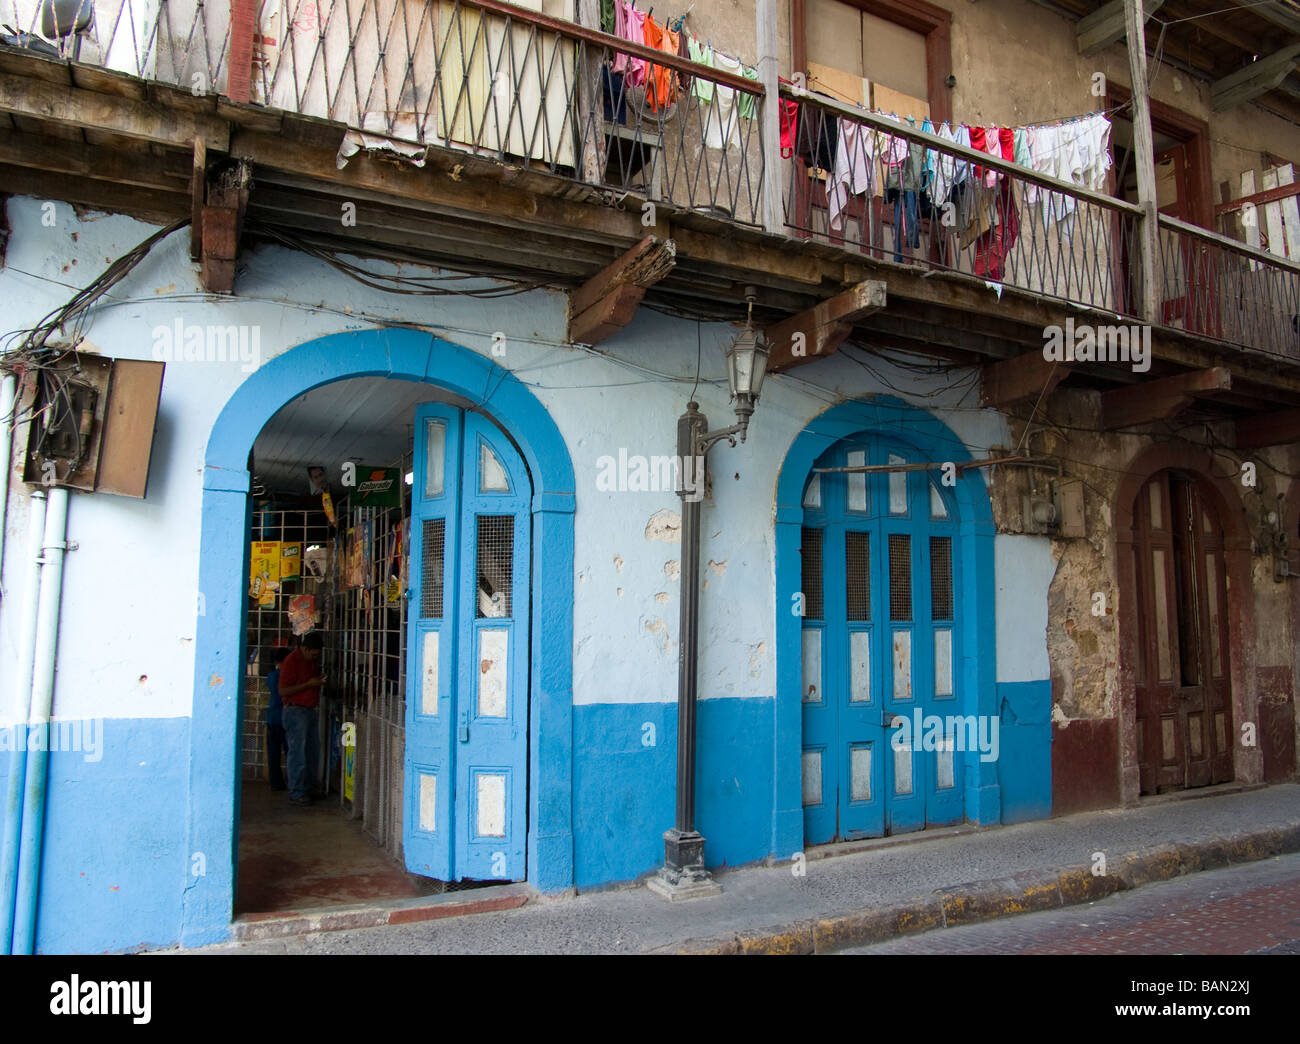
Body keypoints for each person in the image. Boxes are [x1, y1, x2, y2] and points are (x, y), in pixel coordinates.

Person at [278, 632, 326, 806]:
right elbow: (283, 691)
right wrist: (309, 684)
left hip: (309, 711)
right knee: (298, 753)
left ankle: (308, 789)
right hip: (295, 712)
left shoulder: (309, 661)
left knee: (312, 752)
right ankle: (297, 792)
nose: (315, 657)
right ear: (305, 649)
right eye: (313, 654)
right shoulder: (291, 662)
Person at [265, 647, 291, 791]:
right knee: (290, 753)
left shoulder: (272, 676)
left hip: (272, 718)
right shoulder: (287, 676)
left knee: (273, 755)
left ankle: (276, 783)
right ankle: (291, 780)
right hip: (285, 718)